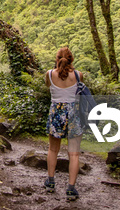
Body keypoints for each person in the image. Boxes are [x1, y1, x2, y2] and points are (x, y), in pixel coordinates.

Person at [43, 47, 83, 201]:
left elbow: (49, 87)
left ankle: (50, 182)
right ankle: (71, 189)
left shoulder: (49, 74)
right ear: (71, 59)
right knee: (74, 154)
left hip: (56, 113)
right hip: (73, 114)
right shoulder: (78, 75)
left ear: (57, 59)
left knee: (53, 150)